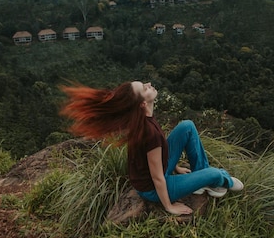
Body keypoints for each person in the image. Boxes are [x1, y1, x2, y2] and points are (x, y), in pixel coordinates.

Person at [60, 81, 244, 215]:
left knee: (187, 126)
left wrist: (177, 167)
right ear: (142, 103)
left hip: (157, 173)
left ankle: (202, 178)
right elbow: (157, 178)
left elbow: (151, 159)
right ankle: (220, 179)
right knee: (214, 174)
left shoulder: (143, 119)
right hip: (152, 189)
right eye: (144, 88)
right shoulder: (150, 133)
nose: (149, 84)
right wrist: (169, 207)